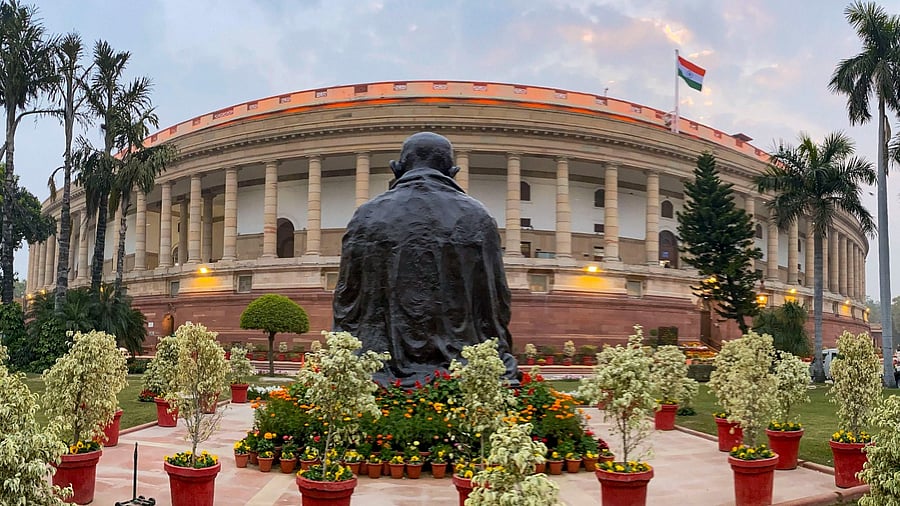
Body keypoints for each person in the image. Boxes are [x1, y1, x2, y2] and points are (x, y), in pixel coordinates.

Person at [333, 132, 518, 387]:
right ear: (452, 171)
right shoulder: (478, 216)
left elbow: (346, 296)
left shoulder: (367, 214)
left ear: (397, 169)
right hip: (463, 367)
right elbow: (497, 298)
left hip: (380, 367)